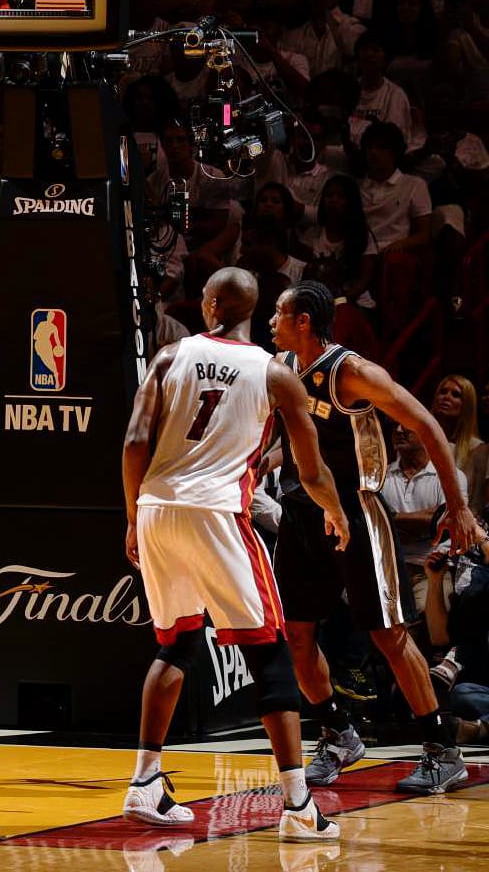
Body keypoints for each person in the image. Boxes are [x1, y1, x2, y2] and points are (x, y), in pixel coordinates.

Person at [121, 268, 349, 841]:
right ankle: (298, 804)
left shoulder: (170, 357)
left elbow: (132, 442)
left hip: (156, 508)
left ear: (209, 304)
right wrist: (337, 512)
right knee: (270, 652)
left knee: (175, 643)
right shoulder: (276, 374)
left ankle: (144, 780)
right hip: (220, 514)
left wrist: (133, 515)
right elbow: (312, 470)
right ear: (250, 309)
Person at [269, 280, 486, 794]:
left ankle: (443, 750)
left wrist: (459, 508)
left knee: (388, 634)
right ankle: (338, 733)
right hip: (302, 512)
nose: (270, 320)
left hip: (356, 509)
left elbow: (427, 423)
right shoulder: (279, 366)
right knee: (296, 635)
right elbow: (287, 441)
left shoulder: (352, 372)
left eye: (280, 312)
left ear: (305, 321)